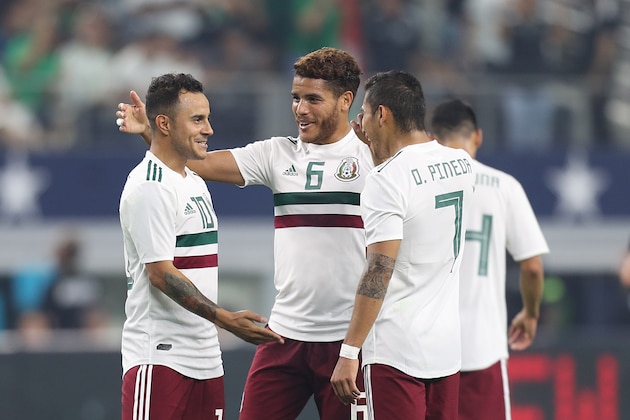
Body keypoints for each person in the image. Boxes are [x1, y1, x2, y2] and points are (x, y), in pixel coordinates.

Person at [116, 48, 371, 419]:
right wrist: (154, 133)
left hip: (346, 341)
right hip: (283, 336)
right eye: (295, 98)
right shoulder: (277, 154)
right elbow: (190, 160)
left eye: (313, 99)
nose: (300, 109)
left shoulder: (374, 159)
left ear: (346, 100)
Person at [118, 73, 283, 420]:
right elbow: (162, 275)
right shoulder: (148, 187)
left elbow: (167, 153)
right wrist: (225, 319)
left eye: (207, 118)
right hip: (160, 358)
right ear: (164, 123)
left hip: (206, 360)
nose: (208, 129)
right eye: (197, 119)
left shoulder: (192, 180)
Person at [330, 70, 475, 419]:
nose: (358, 123)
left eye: (363, 113)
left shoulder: (385, 180)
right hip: (446, 350)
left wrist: (349, 352)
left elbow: (380, 268)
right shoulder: (462, 163)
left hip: (396, 353)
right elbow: (415, 192)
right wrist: (379, 156)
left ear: (382, 114)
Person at [430, 99, 549, 420]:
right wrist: (531, 312)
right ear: (478, 136)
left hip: (425, 350)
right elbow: (533, 268)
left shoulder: (418, 183)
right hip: (482, 347)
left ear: (431, 137)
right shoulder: (503, 186)